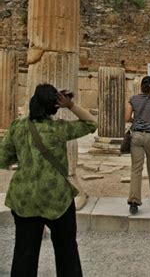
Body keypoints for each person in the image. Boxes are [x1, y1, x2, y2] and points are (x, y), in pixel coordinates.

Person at [0, 82, 97, 277]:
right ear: (54, 106)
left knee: (24, 254)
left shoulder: (17, 127)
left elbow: (3, 159)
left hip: (24, 199)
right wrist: (70, 105)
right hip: (57, 199)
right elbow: (91, 124)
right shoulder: (57, 129)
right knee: (66, 251)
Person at [125, 75, 150, 214]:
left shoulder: (133, 100)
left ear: (141, 87)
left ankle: (134, 201)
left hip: (136, 136)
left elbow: (126, 118)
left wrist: (136, 120)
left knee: (136, 169)